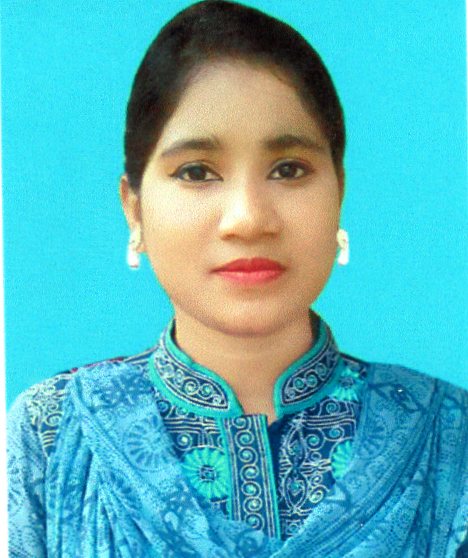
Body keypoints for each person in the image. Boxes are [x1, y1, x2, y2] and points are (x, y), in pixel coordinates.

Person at [7, 1, 467, 556]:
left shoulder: (449, 438)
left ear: (338, 193)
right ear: (135, 209)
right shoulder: (53, 433)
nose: (248, 219)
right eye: (197, 172)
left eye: (289, 169)